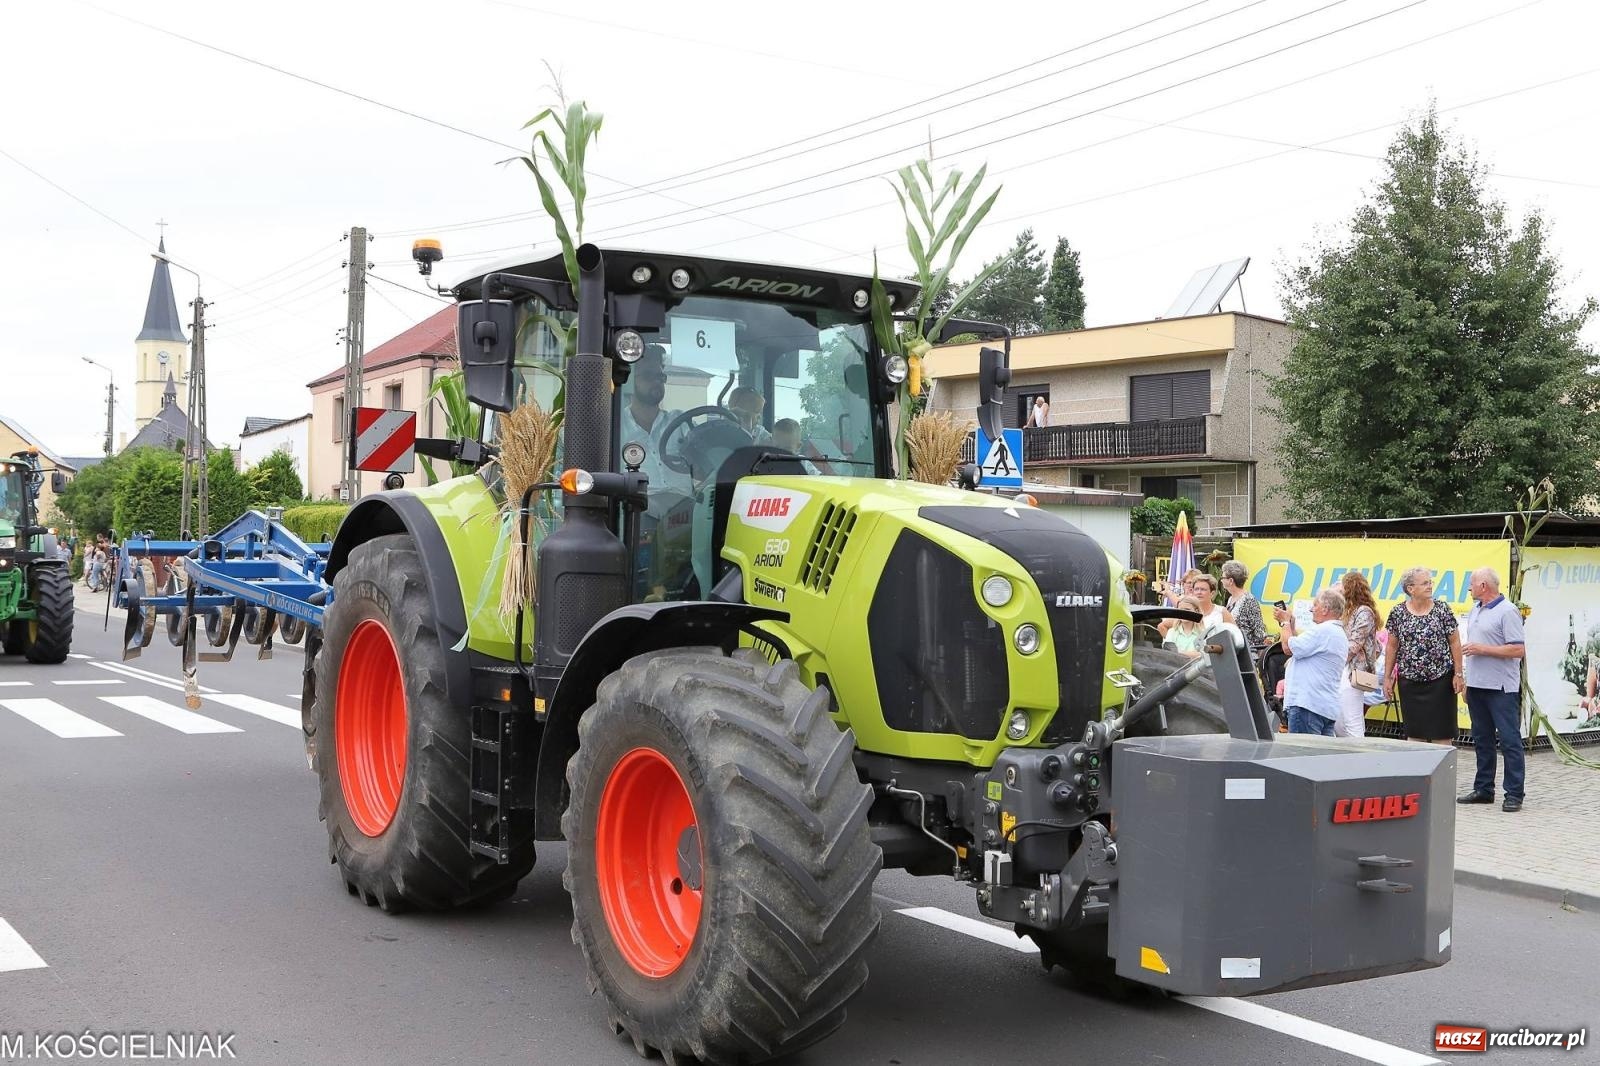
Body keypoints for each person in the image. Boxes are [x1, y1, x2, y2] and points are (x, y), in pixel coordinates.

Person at [1458, 568, 1527, 812]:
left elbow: (1517, 650)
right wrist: (1466, 682)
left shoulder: (1508, 611)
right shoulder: (1477, 608)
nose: (1469, 588)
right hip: (1477, 686)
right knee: (1482, 739)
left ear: (1484, 585)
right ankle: (1484, 789)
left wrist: (1483, 649)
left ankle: (1514, 793)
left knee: (1509, 740)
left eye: (1472, 584)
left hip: (1501, 688)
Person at [1383, 567, 1464, 746]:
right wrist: (1387, 677)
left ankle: (1442, 774)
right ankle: (1417, 774)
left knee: (1442, 734)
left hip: (1441, 681)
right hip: (1409, 683)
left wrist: (1458, 674)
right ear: (1411, 588)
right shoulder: (1398, 612)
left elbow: (1455, 642)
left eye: (1430, 582)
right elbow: (1392, 646)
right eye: (1425, 583)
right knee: (1414, 734)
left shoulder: (1442, 609)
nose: (1430, 586)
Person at [1274, 587, 1348, 736]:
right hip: (1323, 707)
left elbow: (1289, 648)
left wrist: (1285, 624)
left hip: (1307, 706)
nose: (1311, 609)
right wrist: (1291, 626)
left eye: (1315, 605)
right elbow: (1301, 649)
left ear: (1325, 609)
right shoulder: (1337, 633)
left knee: (1301, 755)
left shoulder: (1323, 631)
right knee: (1319, 757)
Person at [1336, 571, 1381, 739]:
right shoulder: (1349, 611)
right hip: (1344, 668)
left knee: (1352, 719)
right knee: (1340, 719)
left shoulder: (1364, 612)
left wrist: (1336, 661)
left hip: (1353, 671)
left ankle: (1359, 757)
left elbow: (1355, 643)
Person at [1220, 560, 1267, 650]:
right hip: (1233, 649)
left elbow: (1259, 632)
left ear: (1230, 581)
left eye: (1222, 577)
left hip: (1247, 651)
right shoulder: (1231, 599)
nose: (1221, 580)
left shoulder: (1249, 600)